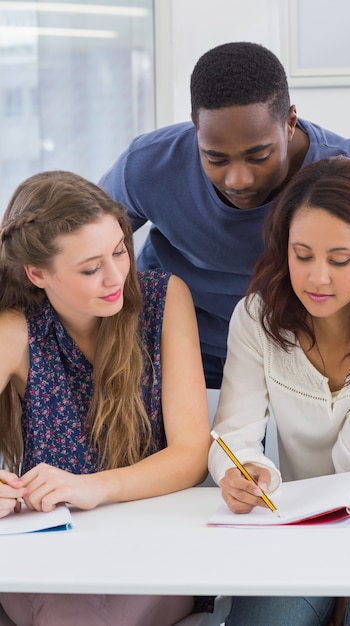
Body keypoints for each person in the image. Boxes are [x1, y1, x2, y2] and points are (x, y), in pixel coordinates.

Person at [99, 41, 350, 389]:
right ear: (195, 127)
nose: (238, 180)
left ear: (290, 122)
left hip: (298, 351)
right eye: (216, 159)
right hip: (171, 343)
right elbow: (80, 242)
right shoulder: (147, 165)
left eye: (258, 156)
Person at [208, 157, 350, 626]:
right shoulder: (255, 318)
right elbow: (232, 435)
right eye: (302, 255)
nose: (316, 278)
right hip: (301, 529)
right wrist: (246, 474)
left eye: (339, 260)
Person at [0, 171, 211, 626]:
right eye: (91, 268)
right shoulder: (15, 330)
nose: (117, 276)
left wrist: (94, 487)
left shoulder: (162, 299)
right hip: (51, 554)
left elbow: (192, 456)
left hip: (152, 546)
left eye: (120, 251)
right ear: (37, 273)